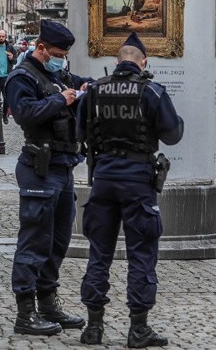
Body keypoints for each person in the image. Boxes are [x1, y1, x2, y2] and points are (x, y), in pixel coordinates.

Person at [76, 33, 184, 348]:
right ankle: (138, 329)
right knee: (141, 254)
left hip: (104, 180)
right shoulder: (151, 91)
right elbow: (173, 133)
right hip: (138, 182)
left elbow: (79, 131)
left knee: (99, 253)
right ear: (143, 62)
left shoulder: (94, 91)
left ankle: (93, 327)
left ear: (117, 61)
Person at [4, 19, 89, 337]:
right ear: (40, 48)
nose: (61, 59)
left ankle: (48, 303)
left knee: (58, 241)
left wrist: (87, 89)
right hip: (39, 168)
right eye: (56, 53)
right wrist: (62, 100)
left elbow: (80, 82)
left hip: (63, 167)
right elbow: (24, 113)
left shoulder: (59, 73)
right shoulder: (21, 77)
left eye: (64, 54)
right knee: (34, 241)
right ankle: (25, 313)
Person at [0, 30, 18, 123]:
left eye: (3, 36)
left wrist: (12, 58)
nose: (1, 38)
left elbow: (15, 61)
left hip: (6, 76)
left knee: (6, 97)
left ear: (5, 37)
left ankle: (4, 115)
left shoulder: (10, 48)